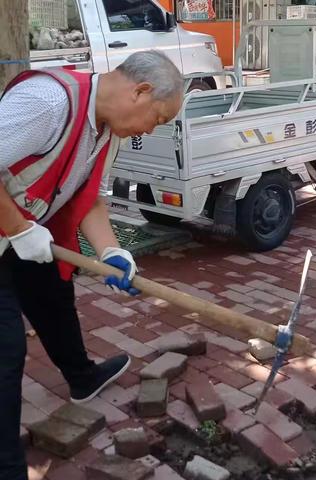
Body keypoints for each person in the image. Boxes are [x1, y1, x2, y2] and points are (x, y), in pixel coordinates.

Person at [0, 50, 183, 480]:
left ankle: (82, 377)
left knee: (52, 289)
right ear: (139, 91)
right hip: (10, 224)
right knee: (6, 347)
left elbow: (88, 199)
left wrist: (110, 252)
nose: (149, 130)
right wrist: (18, 228)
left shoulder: (105, 131)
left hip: (20, 228)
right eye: (156, 119)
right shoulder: (50, 103)